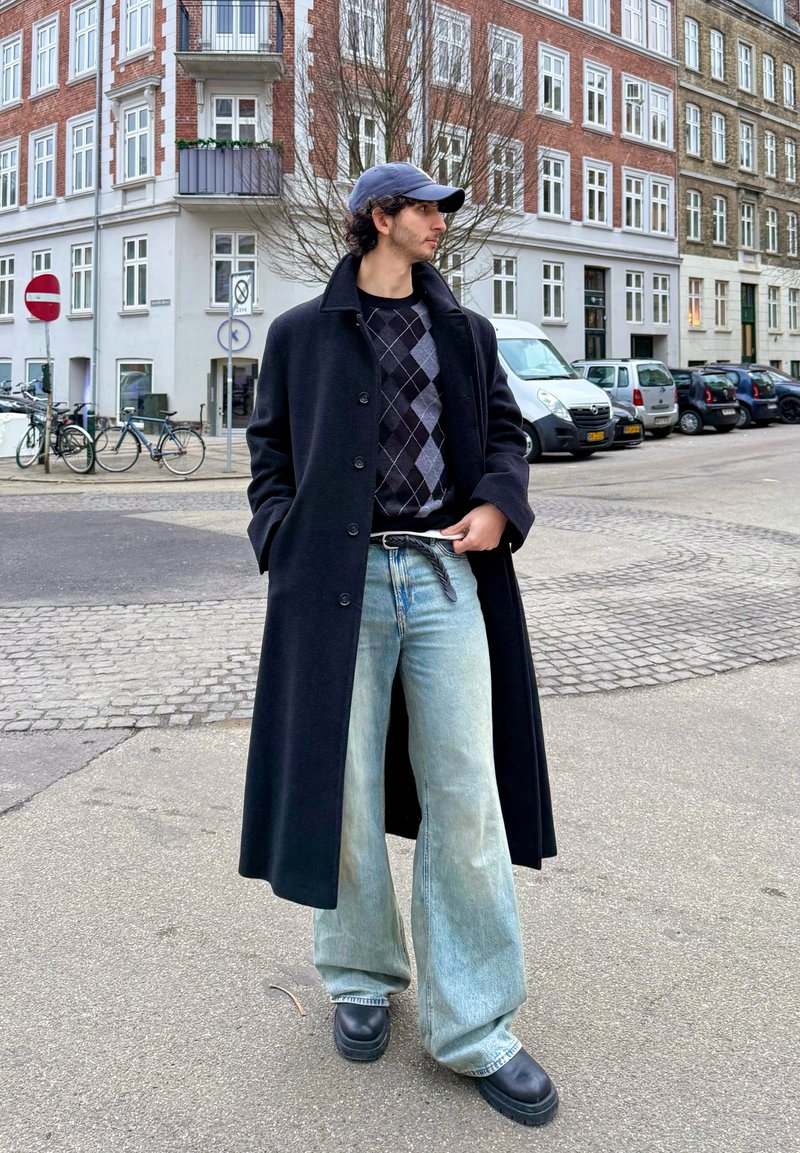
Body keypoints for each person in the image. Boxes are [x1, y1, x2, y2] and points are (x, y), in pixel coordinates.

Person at [240, 162, 558, 1127]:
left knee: (467, 789)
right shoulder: (299, 334)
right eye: (426, 209)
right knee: (342, 791)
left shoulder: (464, 331)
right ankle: (362, 977)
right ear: (379, 219)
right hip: (332, 585)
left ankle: (474, 1024)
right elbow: (268, 456)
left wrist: (500, 506)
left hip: (441, 573)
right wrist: (280, 539)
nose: (438, 225)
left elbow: (508, 436)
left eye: (439, 211)